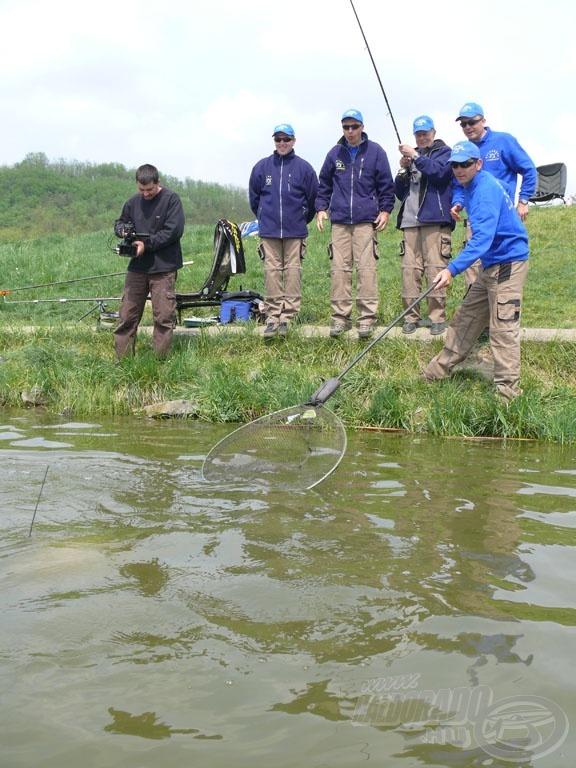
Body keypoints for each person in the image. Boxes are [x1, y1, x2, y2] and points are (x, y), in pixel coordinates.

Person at [421, 141, 529, 401]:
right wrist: (458, 203)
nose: (459, 169)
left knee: (502, 327)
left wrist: (451, 270)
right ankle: (434, 373)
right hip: (492, 263)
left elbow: (481, 239)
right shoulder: (475, 183)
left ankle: (508, 395)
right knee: (466, 318)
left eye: (466, 164)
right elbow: (464, 192)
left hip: (508, 262)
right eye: (455, 165)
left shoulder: (483, 192)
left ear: (478, 164)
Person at [316, 109, 395, 338]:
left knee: (367, 270)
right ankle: (340, 319)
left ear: (362, 127)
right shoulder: (334, 153)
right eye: (346, 127)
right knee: (340, 271)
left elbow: (386, 185)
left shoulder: (375, 152)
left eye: (354, 126)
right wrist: (321, 208)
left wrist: (386, 210)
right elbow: (324, 184)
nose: (350, 131)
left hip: (365, 222)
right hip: (339, 222)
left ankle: (366, 319)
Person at [452, 102, 536, 290]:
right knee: (474, 267)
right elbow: (458, 184)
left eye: (471, 122)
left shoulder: (503, 141)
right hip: (477, 216)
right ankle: (477, 310)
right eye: (463, 124)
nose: (467, 127)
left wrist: (523, 201)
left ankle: (501, 310)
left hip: (502, 215)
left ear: (483, 120)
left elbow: (529, 169)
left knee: (503, 260)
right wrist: (458, 203)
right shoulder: (462, 151)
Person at [249, 123, 318, 338]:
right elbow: (254, 199)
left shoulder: (304, 168)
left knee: (293, 272)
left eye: (286, 139)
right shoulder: (261, 167)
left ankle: (288, 316)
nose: (282, 143)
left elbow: (313, 198)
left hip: (295, 231)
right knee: (271, 273)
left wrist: (300, 219)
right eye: (278, 139)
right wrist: (264, 217)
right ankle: (272, 316)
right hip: (269, 232)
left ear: (293, 141)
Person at [113, 164, 185, 358]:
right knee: (127, 315)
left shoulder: (172, 200)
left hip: (163, 268)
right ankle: (123, 362)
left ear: (158, 182)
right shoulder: (132, 203)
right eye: (141, 190)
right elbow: (119, 222)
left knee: (162, 317)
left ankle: (159, 363)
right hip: (137, 268)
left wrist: (147, 244)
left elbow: (173, 231)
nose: (145, 194)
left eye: (149, 190)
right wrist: (123, 231)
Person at [395, 115, 454, 336]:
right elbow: (399, 193)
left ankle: (437, 318)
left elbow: (439, 174)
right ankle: (411, 317)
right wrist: (403, 169)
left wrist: (416, 157)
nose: (421, 137)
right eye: (418, 134)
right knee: (410, 272)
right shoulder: (413, 158)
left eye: (425, 133)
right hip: (409, 222)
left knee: (435, 269)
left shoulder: (445, 153)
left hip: (435, 220)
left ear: (433, 133)